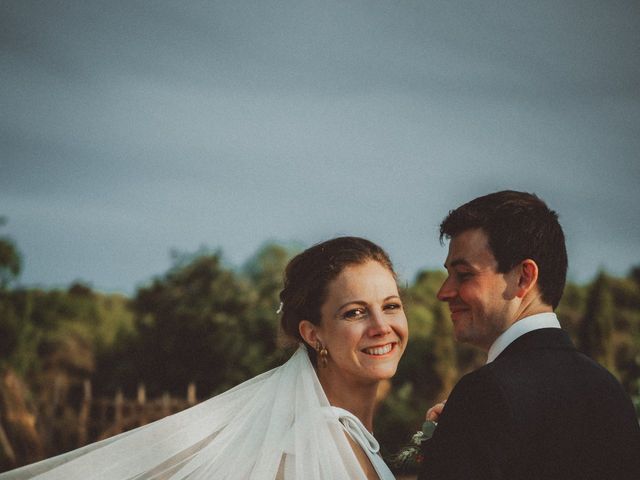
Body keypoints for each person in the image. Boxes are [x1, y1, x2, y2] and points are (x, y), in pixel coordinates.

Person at [0, 236, 407, 480]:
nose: (380, 326)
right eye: (354, 312)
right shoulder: (312, 440)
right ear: (312, 333)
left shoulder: (345, 431)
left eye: (390, 305)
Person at [418, 190, 640, 480]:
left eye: (464, 274)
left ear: (523, 277)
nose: (443, 292)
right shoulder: (609, 391)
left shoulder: (485, 394)